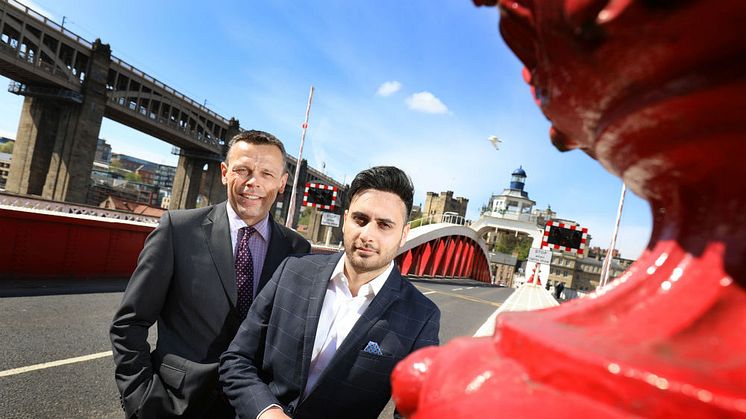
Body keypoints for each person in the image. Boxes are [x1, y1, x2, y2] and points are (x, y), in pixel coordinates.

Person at [110, 130, 311, 419]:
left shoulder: (296, 249)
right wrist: (141, 400)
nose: (253, 182)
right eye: (243, 170)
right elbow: (129, 323)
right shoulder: (177, 230)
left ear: (282, 184)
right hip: (174, 403)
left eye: (266, 173)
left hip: (253, 408)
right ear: (225, 173)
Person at [219, 166, 440, 419]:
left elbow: (416, 413)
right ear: (345, 220)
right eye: (360, 219)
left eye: (384, 225)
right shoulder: (292, 271)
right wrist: (266, 412)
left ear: (404, 234)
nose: (368, 234)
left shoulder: (422, 316)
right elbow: (236, 360)